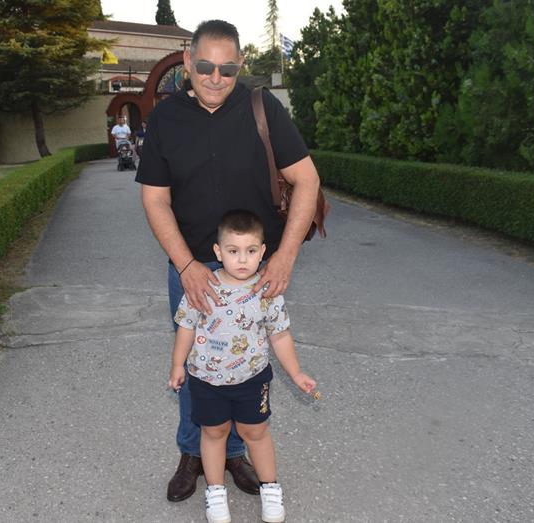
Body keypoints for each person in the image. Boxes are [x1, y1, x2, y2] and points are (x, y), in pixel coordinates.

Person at [135, 19, 321, 503]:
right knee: (197, 365)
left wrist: (285, 256)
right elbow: (155, 199)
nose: (215, 77)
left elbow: (307, 180)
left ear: (240, 65)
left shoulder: (263, 107)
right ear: (187, 61)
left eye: (227, 69)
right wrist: (186, 266)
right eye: (204, 66)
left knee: (247, 362)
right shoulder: (166, 119)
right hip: (192, 267)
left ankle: (235, 451)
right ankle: (192, 452)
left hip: (252, 270)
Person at [168, 209, 316, 523]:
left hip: (252, 379)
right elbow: (186, 328)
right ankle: (215, 492)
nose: (242, 260)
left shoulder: (267, 291)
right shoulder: (203, 286)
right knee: (214, 433)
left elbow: (280, 335)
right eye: (233, 251)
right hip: (207, 380)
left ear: (262, 252)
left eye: (250, 251)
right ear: (218, 252)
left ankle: (270, 487)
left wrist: (296, 372)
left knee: (256, 432)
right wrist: (177, 364)